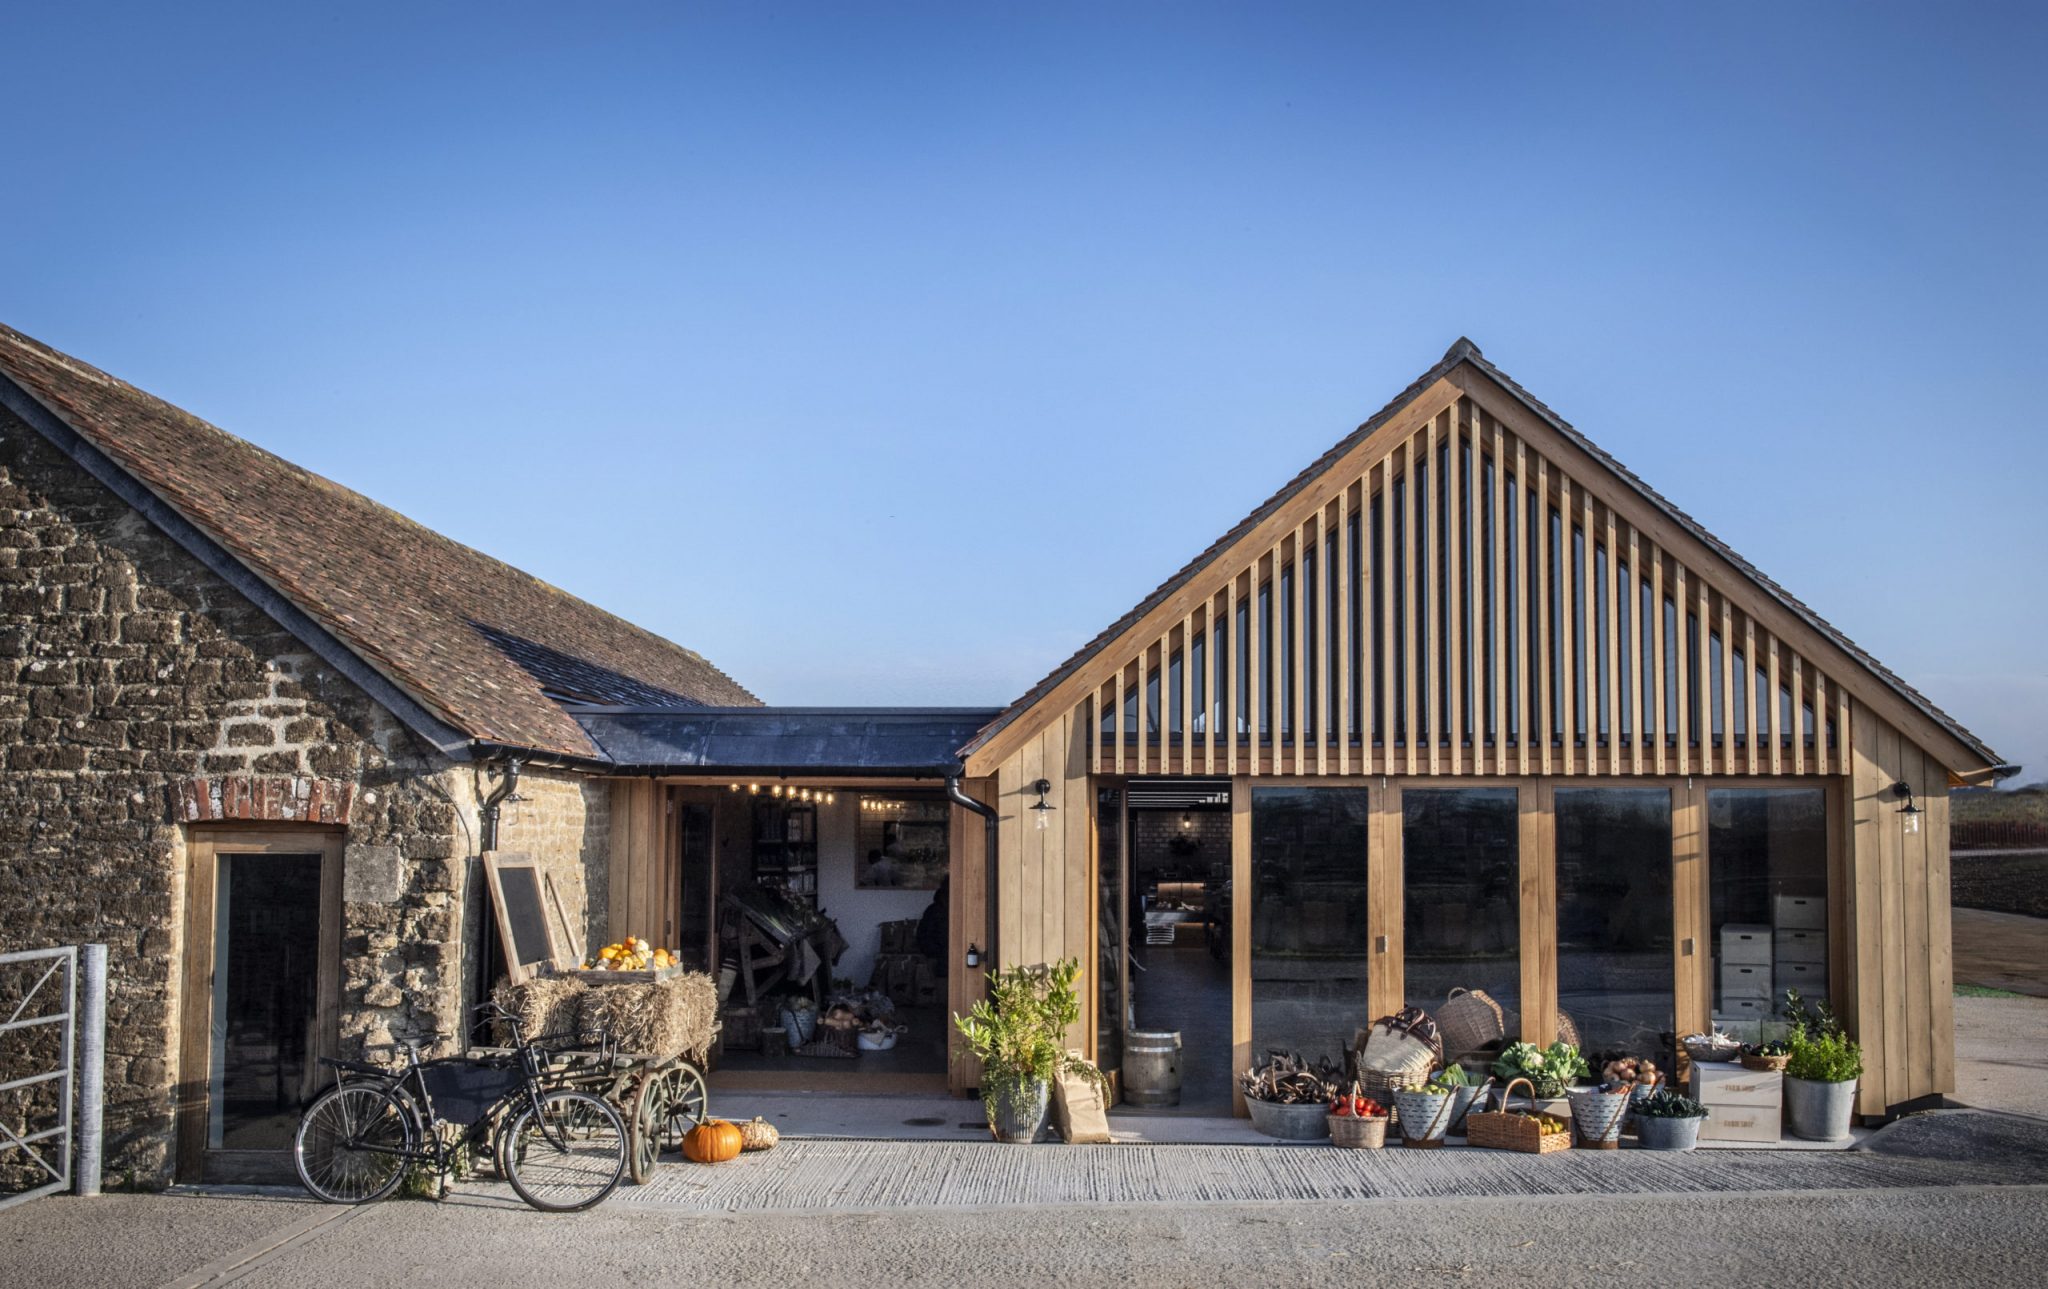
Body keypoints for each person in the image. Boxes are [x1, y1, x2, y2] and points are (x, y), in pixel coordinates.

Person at [916, 876, 948, 976]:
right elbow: (924, 936)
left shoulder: (964, 910)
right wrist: (936, 954)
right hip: (939, 960)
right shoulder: (933, 911)